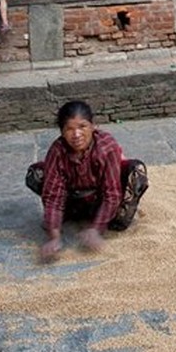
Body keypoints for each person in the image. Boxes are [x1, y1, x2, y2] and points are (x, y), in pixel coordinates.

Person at [26, 101, 149, 263]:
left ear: (93, 126)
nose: (76, 134)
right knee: (36, 174)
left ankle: (106, 219)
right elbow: (53, 195)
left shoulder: (106, 146)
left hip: (100, 197)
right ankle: (69, 215)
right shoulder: (57, 151)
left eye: (82, 126)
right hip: (74, 197)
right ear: (62, 132)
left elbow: (111, 192)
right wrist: (54, 237)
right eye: (69, 129)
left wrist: (96, 229)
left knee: (136, 171)